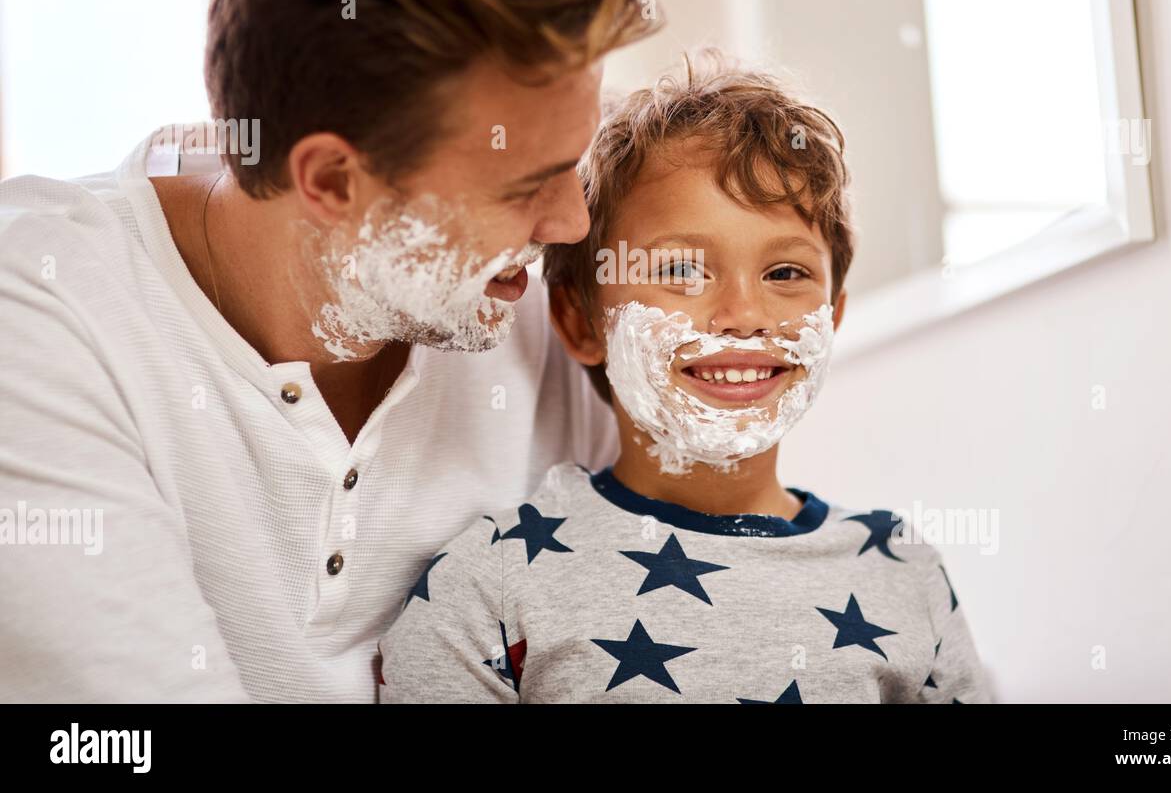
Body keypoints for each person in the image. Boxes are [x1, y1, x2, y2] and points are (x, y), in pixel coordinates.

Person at [0, 0, 659, 702]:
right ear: (332, 181)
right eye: (526, 185)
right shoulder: (43, 308)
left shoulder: (539, 310)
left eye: (572, 166)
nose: (571, 221)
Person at [377, 55, 992, 703]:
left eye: (785, 273)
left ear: (831, 315)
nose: (744, 316)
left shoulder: (900, 568)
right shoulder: (495, 578)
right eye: (680, 271)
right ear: (582, 321)